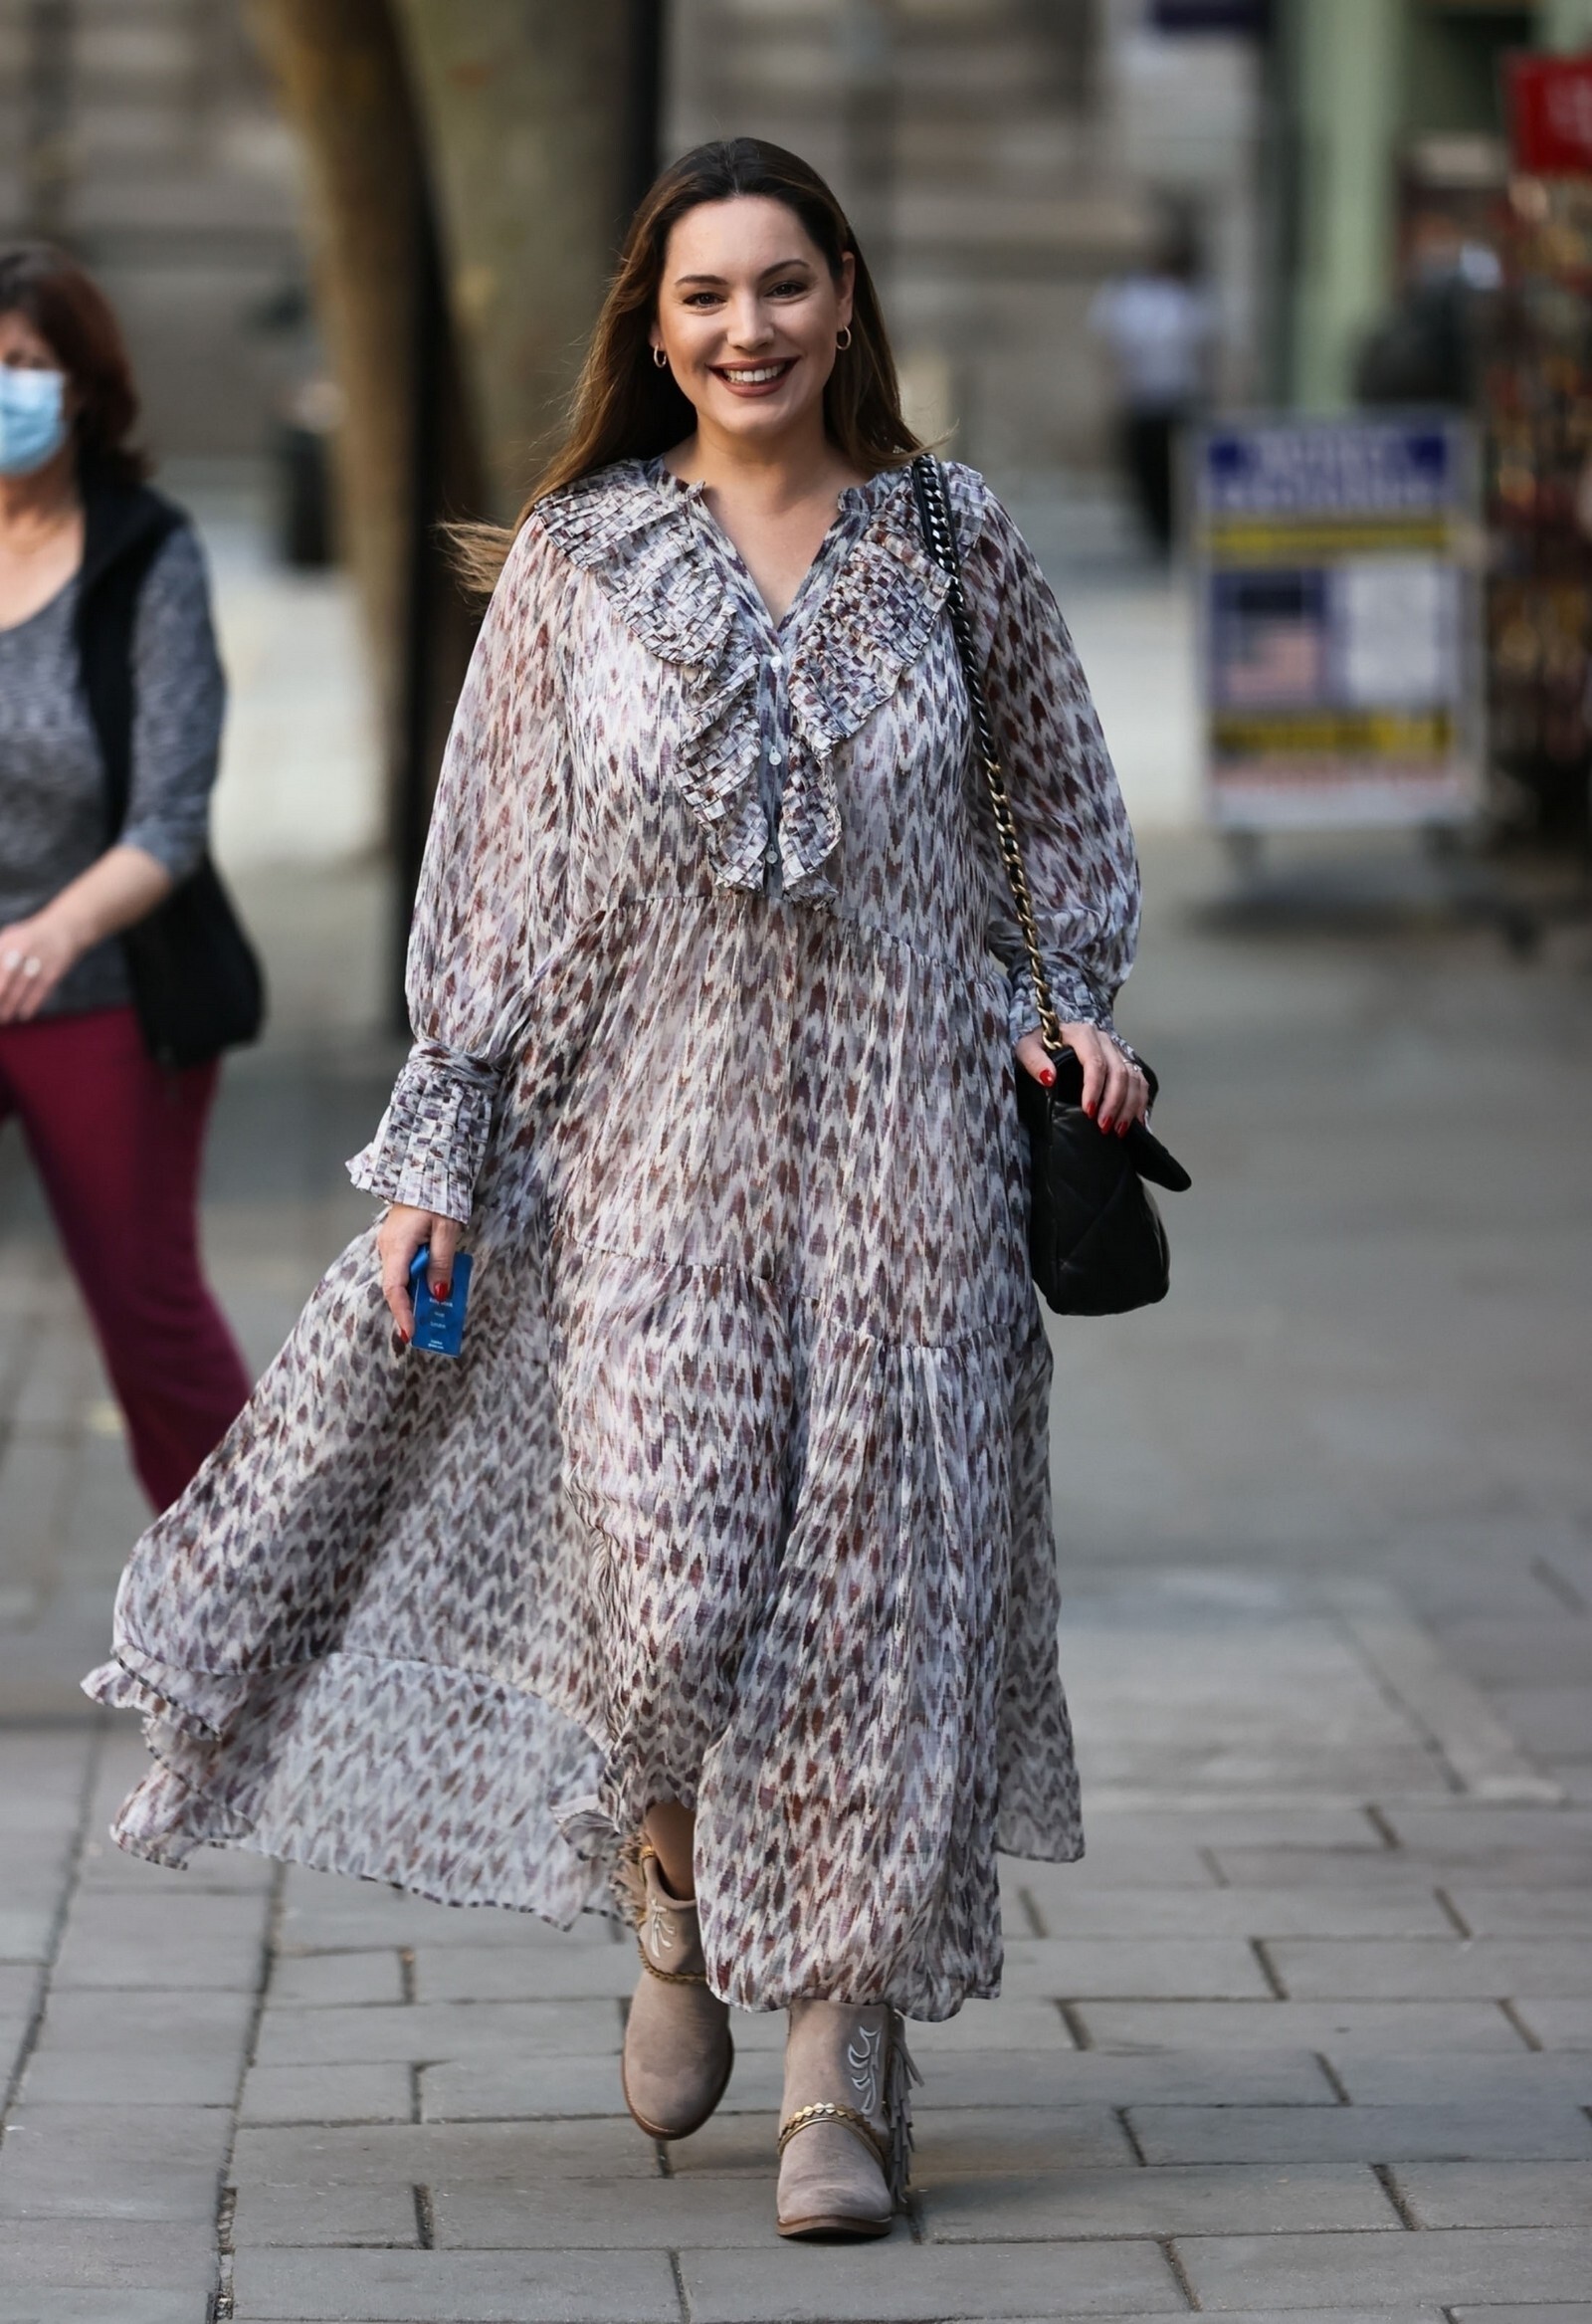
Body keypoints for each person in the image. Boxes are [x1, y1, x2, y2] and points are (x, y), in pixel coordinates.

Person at [86, 139, 1147, 2241]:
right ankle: (671, 1890)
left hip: (912, 1167)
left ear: (844, 295)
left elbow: (1061, 814)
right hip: (642, 1169)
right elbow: (492, 881)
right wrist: (439, 1158)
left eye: (782, 283)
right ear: (653, 332)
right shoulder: (580, 563)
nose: (748, 328)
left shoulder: (952, 538)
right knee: (664, 1596)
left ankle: (837, 2069)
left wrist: (1074, 1016)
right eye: (704, 296)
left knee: (877, 1622)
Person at [0, 244, 252, 1510]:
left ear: (85, 391)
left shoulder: (148, 556)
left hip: (102, 982)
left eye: (25, 366)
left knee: (146, 1318)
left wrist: (49, 933)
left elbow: (170, 818)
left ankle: (254, 1578)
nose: (5, 391)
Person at [1089, 221, 1217, 555]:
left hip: (1179, 397)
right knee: (1146, 469)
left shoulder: (1189, 296)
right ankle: (1156, 532)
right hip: (1142, 397)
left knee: (1177, 469)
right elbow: (1110, 346)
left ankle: (1175, 530)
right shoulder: (1129, 295)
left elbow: (1204, 349)